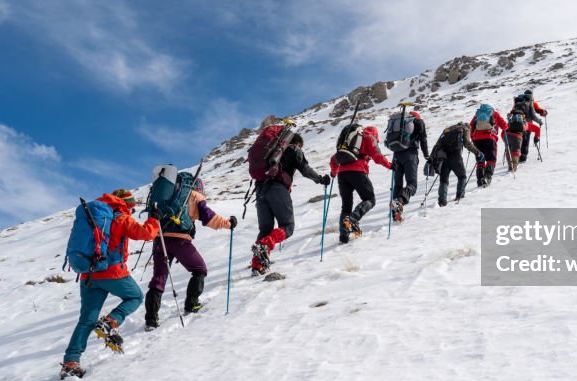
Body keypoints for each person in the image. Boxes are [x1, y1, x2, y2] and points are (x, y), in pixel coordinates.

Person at [61, 189, 159, 379]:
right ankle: (110, 321)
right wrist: (154, 218)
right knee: (135, 296)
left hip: (89, 274)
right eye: (131, 207)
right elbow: (147, 234)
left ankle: (70, 362)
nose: (131, 210)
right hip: (113, 273)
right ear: (125, 204)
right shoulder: (121, 218)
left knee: (86, 320)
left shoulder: (92, 216)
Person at [144, 178, 235, 329]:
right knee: (200, 269)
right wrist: (229, 224)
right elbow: (209, 217)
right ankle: (191, 304)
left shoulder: (166, 195)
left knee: (159, 278)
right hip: (180, 240)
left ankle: (151, 319)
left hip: (160, 239)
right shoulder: (193, 195)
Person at [251, 133, 330, 275]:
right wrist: (320, 179)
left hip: (260, 191)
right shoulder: (293, 149)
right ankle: (264, 244)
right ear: (297, 143)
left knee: (265, 230)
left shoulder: (271, 151)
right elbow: (305, 169)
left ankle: (257, 265)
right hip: (278, 189)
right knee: (288, 226)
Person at [330, 125, 393, 243]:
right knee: (370, 199)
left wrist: (333, 173)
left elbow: (333, 159)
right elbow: (377, 157)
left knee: (346, 206)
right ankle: (352, 219)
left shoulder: (350, 140)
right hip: (357, 172)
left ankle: (343, 237)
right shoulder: (369, 137)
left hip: (342, 175)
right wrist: (390, 165)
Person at [428, 122, 482, 206]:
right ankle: (460, 195)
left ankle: (442, 201)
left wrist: (432, 159)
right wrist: (478, 153)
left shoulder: (448, 130)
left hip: (444, 157)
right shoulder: (464, 129)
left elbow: (437, 145)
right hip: (456, 156)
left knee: (443, 179)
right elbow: (467, 143)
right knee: (462, 176)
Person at [389, 111, 429, 222]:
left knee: (397, 185)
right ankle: (399, 202)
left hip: (396, 155)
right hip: (410, 155)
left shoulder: (399, 123)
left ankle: (395, 213)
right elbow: (423, 139)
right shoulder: (418, 122)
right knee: (412, 184)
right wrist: (426, 155)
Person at [469, 104, 508, 187]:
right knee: (491, 159)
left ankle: (480, 180)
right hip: (490, 138)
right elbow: (505, 126)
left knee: (480, 160)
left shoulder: (477, 114)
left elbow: (471, 126)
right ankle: (487, 176)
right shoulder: (495, 113)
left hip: (477, 139)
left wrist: (473, 138)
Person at [511, 89, 546, 163]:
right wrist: (539, 121)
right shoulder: (529, 103)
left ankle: (516, 156)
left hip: (516, 124)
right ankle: (523, 157)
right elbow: (533, 116)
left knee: (519, 141)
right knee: (525, 142)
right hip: (527, 125)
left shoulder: (518, 101)